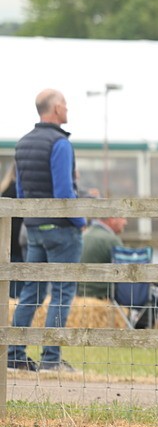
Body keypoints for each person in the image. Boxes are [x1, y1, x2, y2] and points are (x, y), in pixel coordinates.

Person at [8, 89, 84, 373]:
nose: (67, 108)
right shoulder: (60, 144)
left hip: (34, 228)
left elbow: (21, 190)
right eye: (64, 103)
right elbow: (64, 192)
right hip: (61, 229)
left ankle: (14, 354)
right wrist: (79, 222)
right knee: (63, 292)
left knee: (32, 291)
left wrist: (31, 220)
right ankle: (51, 359)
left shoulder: (23, 143)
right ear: (54, 109)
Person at [1, 164, 25, 299]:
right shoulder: (19, 191)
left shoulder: (5, 190)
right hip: (18, 237)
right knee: (19, 272)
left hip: (6, 238)